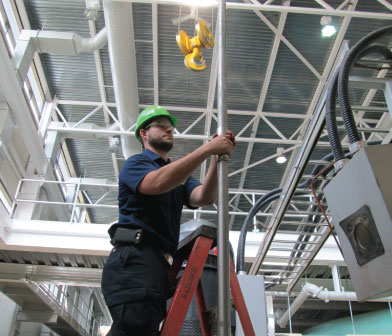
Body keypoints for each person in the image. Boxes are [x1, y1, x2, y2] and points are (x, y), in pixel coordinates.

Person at [101, 105, 236, 336]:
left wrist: (215, 159)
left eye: (171, 127)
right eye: (161, 126)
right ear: (144, 134)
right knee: (137, 325)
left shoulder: (179, 176)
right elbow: (156, 184)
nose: (169, 130)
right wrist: (206, 149)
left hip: (156, 264)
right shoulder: (136, 164)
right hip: (134, 259)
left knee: (144, 327)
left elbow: (204, 196)